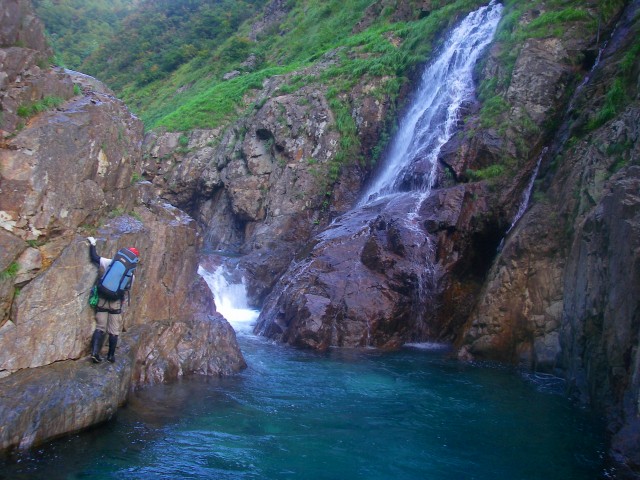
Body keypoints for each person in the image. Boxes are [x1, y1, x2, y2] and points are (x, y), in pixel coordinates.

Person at [87, 236, 139, 364]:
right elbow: (126, 289)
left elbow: (94, 258)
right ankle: (110, 356)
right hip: (115, 302)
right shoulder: (130, 275)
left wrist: (93, 244)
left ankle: (94, 353)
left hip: (102, 297)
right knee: (114, 331)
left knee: (100, 327)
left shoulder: (111, 262)